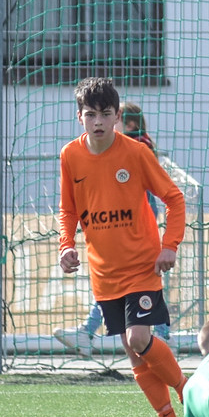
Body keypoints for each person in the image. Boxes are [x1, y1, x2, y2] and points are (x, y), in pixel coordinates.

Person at [58, 77, 189, 417]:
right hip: (104, 273)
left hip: (141, 267)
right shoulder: (70, 156)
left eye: (105, 114)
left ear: (117, 117)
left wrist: (169, 245)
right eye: (90, 114)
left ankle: (190, 394)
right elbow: (68, 210)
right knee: (134, 355)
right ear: (79, 117)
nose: (98, 121)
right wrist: (66, 245)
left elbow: (174, 198)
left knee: (138, 339)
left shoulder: (135, 154)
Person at [52, 101, 168, 352]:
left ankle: (162, 336)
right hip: (116, 227)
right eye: (93, 115)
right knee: (118, 283)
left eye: (110, 117)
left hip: (135, 228)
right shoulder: (78, 153)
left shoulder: (137, 148)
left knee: (139, 283)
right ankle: (90, 331)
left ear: (128, 124)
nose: (102, 123)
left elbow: (166, 196)